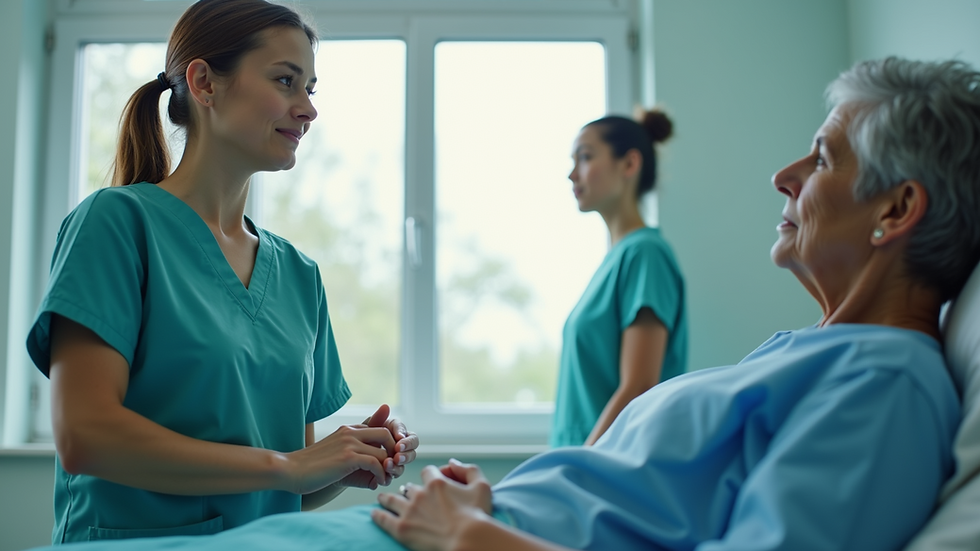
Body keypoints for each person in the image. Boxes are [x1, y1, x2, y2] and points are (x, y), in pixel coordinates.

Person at [24, 56, 980, 551]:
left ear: (898, 208)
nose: (784, 176)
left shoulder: (886, 382)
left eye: (821, 159)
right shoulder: (804, 354)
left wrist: (477, 533)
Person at [25, 0, 417, 544]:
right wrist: (289, 466)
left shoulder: (300, 276)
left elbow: (290, 482)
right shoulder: (115, 224)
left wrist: (341, 463)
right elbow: (86, 435)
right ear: (205, 82)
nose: (307, 109)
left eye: (311, 89)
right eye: (286, 81)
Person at [552, 110, 688, 447]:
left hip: (604, 471)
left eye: (584, 157)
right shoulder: (615, 261)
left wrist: (573, 469)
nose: (572, 174)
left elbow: (639, 386)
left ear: (629, 164)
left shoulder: (645, 255)